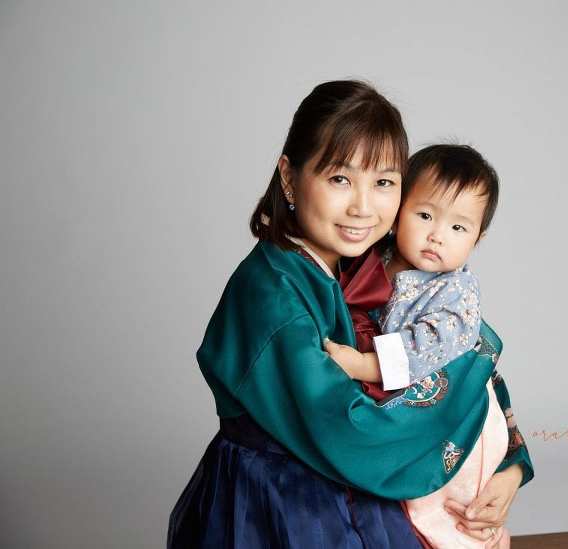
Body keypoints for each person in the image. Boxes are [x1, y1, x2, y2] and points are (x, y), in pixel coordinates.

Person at [167, 80, 526, 549]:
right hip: (280, 510)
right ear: (290, 177)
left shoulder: (373, 264)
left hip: (358, 503)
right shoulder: (273, 296)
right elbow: (359, 430)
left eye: (383, 183)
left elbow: (464, 354)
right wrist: (467, 359)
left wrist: (507, 468)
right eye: (339, 178)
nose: (362, 206)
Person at [325, 145, 533, 548]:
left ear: (478, 237)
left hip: (462, 418)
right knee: (412, 504)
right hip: (409, 410)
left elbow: (427, 347)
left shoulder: (457, 293)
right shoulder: (375, 257)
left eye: (459, 228)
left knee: (444, 500)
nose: (437, 235)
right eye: (424, 216)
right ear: (399, 208)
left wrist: (363, 366)